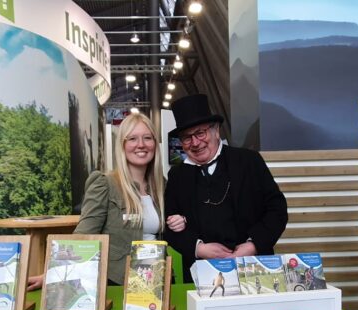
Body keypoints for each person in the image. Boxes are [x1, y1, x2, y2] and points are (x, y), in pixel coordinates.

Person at [28, 113, 186, 290]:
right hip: (119, 283)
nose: (141, 144)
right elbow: (84, 235)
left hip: (155, 280)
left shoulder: (161, 185)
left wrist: (180, 221)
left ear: (155, 144)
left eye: (147, 138)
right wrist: (54, 272)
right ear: (123, 145)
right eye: (132, 138)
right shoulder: (104, 183)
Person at [164, 93, 288, 282]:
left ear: (216, 131)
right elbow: (170, 227)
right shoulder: (177, 176)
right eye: (187, 138)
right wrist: (199, 248)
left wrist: (252, 245)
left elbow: (277, 210)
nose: (195, 142)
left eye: (200, 133)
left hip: (253, 267)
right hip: (202, 275)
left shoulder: (249, 161)